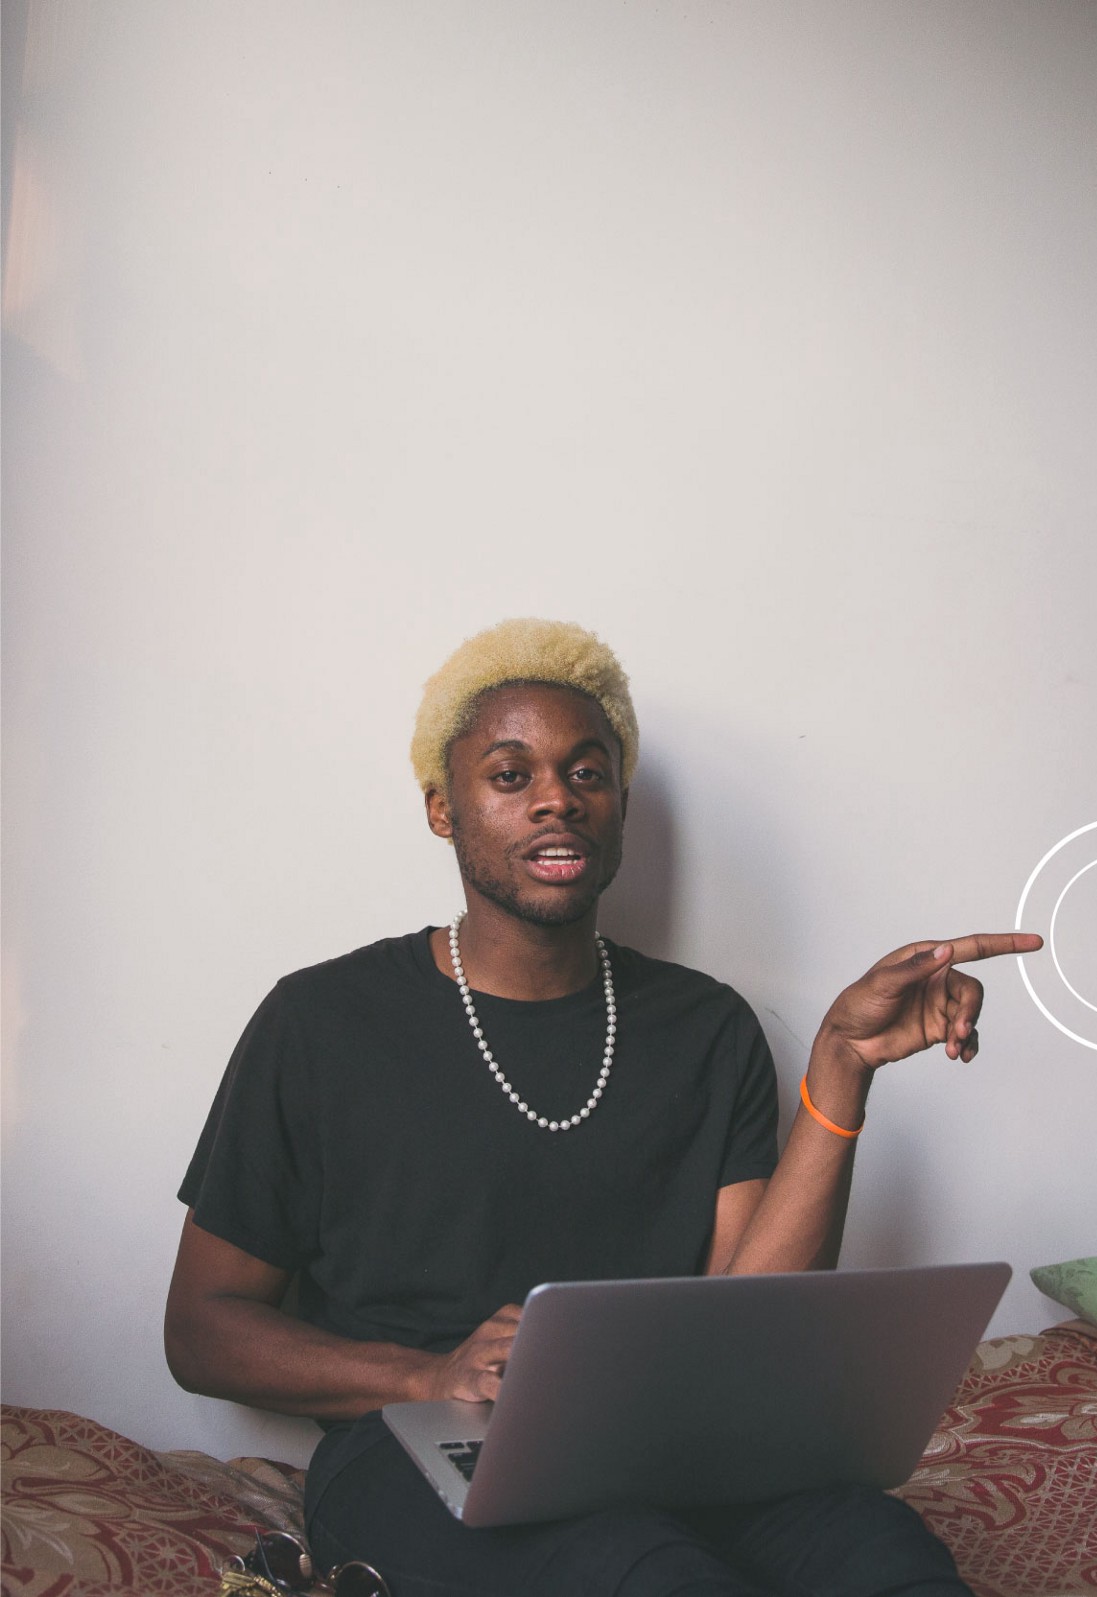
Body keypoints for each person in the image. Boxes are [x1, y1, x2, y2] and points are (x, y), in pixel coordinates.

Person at [166, 618, 1041, 1597]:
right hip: (413, 1449)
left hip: (677, 1442)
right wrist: (424, 1375)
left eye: (588, 773)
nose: (556, 798)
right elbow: (202, 1327)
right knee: (649, 1574)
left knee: (887, 1556)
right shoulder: (321, 1021)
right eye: (510, 774)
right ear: (441, 809)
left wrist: (840, 1064)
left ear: (619, 806)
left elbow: (753, 1318)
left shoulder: (705, 1027)